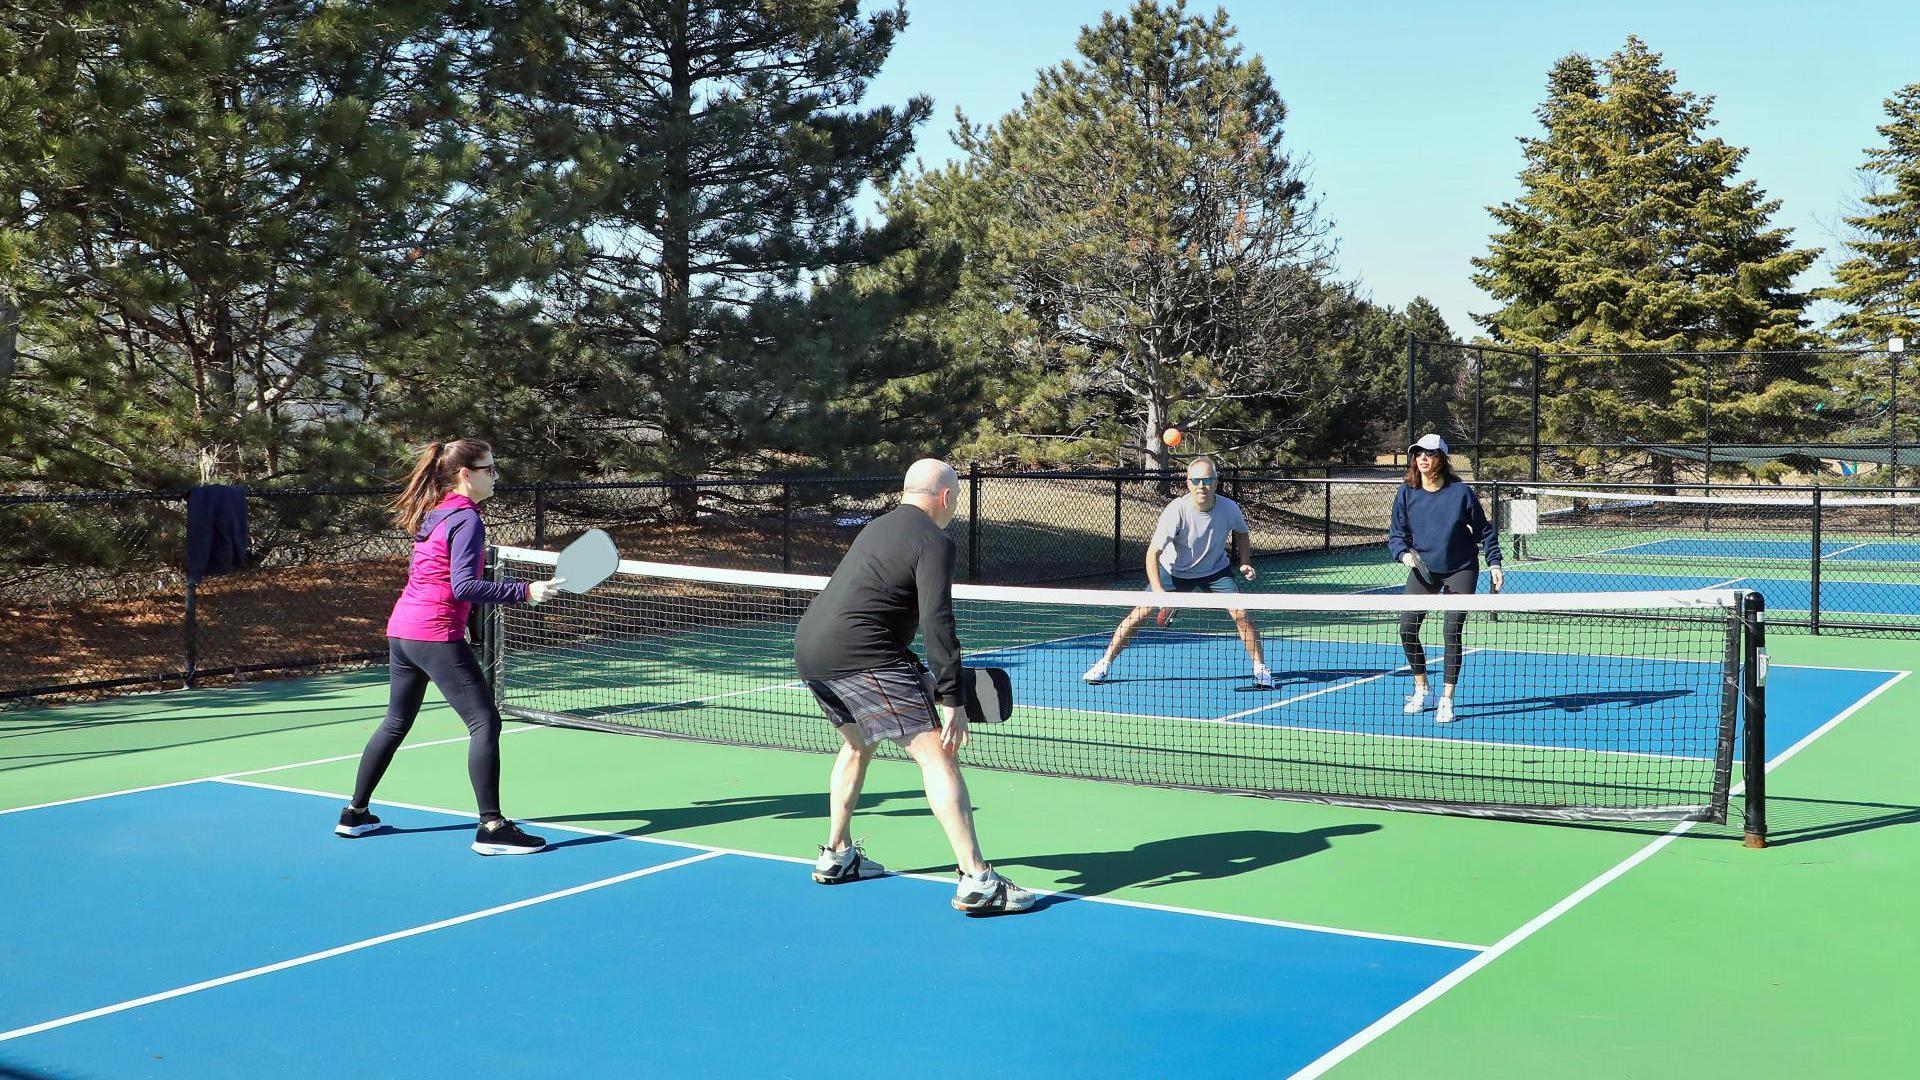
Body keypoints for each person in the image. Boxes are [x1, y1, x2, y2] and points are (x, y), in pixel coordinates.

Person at [792, 458, 1036, 916]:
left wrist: (917, 671)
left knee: (857, 746)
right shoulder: (934, 540)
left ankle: (837, 854)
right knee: (936, 753)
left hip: (811, 650)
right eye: (956, 500)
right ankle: (977, 880)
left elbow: (872, 607)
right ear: (945, 498)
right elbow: (938, 622)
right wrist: (951, 700)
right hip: (863, 654)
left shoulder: (876, 528)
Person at [336, 439, 564, 854]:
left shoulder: (437, 514)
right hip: (434, 634)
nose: (495, 476)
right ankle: (491, 827)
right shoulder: (467, 520)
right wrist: (525, 590)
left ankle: (355, 813)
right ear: (466, 474)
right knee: (485, 723)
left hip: (402, 631)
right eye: (489, 469)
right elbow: (464, 586)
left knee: (395, 722)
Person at [1082, 456, 1272, 688]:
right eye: (1196, 480)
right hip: (1174, 572)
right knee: (1139, 614)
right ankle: (1104, 663)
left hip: (1215, 572)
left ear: (1216, 481)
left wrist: (1244, 562)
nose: (1201, 485)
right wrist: (1160, 593)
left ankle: (1261, 670)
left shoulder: (1229, 508)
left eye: (1207, 479)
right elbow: (1153, 554)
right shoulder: (1176, 511)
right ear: (1188, 483)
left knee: (1241, 614)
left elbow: (1241, 533)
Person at [1387, 433, 1504, 725]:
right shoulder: (1406, 492)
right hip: (1424, 567)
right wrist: (1405, 556)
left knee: (1451, 631)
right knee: (1406, 629)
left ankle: (1447, 699)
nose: (1422, 458)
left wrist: (1494, 564)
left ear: (1441, 458)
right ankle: (1421, 687)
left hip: (1461, 568)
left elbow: (1485, 531)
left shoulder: (1460, 492)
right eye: (1418, 453)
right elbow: (1396, 535)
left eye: (1429, 453)